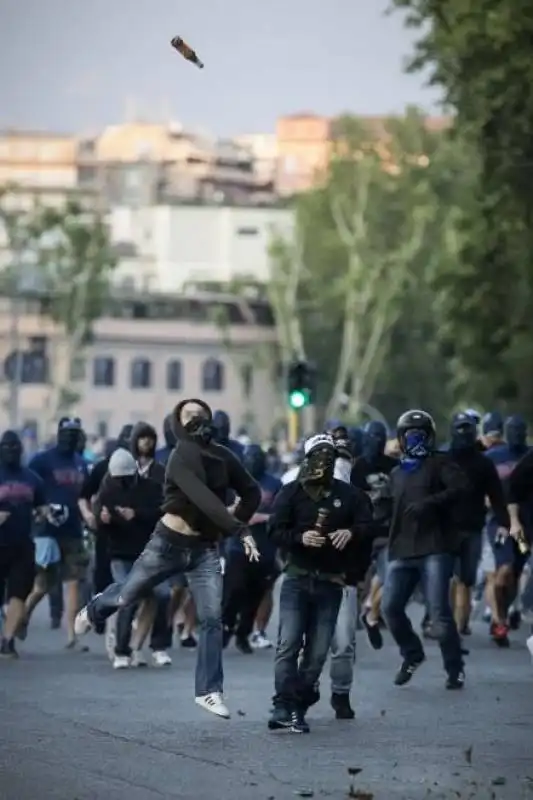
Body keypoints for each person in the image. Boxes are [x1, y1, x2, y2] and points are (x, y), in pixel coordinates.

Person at [75, 399, 261, 718]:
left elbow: (252, 491)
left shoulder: (224, 457)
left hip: (204, 550)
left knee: (212, 618)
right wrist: (237, 528)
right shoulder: (180, 456)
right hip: (167, 545)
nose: (196, 420)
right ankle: (96, 608)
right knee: (127, 595)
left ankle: (209, 690)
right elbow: (202, 499)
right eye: (188, 416)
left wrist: (232, 522)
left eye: (200, 414)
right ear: (177, 423)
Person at [268, 434, 373, 734]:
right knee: (288, 644)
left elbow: (369, 525)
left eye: (330, 456)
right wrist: (299, 538)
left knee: (317, 652)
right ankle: (282, 704)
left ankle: (298, 706)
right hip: (297, 579)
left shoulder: (350, 496)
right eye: (318, 455)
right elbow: (275, 530)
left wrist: (351, 533)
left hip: (331, 583)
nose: (324, 462)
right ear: (307, 458)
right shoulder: (291, 493)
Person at [381, 410, 467, 689]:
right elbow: (386, 509)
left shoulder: (441, 464)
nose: (415, 440)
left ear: (430, 437)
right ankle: (412, 654)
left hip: (435, 548)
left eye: (421, 434)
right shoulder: (395, 473)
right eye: (410, 435)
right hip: (402, 550)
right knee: (390, 608)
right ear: (401, 438)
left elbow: (461, 489)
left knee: (439, 612)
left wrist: (430, 503)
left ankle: (455, 669)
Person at [92, 448, 168, 669]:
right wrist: (102, 520)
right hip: (120, 555)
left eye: (126, 479)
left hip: (149, 553)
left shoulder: (150, 489)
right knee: (127, 598)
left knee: (163, 595)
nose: (122, 483)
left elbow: (161, 513)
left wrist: (137, 515)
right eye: (119, 479)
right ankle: (122, 650)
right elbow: (99, 526)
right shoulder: (107, 493)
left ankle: (159, 646)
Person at [24, 418, 89, 648]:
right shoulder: (42, 460)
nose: (70, 437)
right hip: (46, 531)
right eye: (67, 432)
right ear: (59, 433)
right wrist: (38, 511)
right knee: (42, 585)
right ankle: (22, 617)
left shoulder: (80, 463)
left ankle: (71, 635)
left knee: (73, 583)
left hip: (72, 530)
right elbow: (27, 484)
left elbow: (85, 495)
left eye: (75, 433)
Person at [446, 413, 509, 637]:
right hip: (446, 529)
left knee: (466, 579)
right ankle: (453, 625)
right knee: (450, 578)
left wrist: (504, 522)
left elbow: (497, 495)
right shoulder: (442, 460)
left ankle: (459, 625)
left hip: (473, 528)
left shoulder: (484, 463)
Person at [222, 443, 281, 653]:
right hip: (238, 545)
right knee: (235, 589)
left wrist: (262, 518)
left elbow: (282, 515)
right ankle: (226, 625)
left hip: (264, 548)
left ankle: (243, 635)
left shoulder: (274, 484)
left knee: (255, 594)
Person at [484, 414, 530, 645]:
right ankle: (498, 619)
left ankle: (502, 615)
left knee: (515, 573)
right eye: (513, 430)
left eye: (520, 431)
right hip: (501, 524)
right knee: (502, 573)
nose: (517, 435)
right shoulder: (493, 456)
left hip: (525, 528)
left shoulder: (529, 456)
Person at [352, 421, 398, 650]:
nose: (377, 441)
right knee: (356, 580)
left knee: (391, 575)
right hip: (362, 531)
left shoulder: (394, 465)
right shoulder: (357, 467)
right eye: (373, 437)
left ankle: (371, 609)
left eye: (381, 437)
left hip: (388, 530)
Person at [0, 431, 46, 657]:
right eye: (7, 447)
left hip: (22, 544)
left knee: (19, 593)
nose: (11, 451)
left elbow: (41, 506)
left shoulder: (32, 478)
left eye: (15, 447)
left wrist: (44, 514)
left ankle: (7, 641)